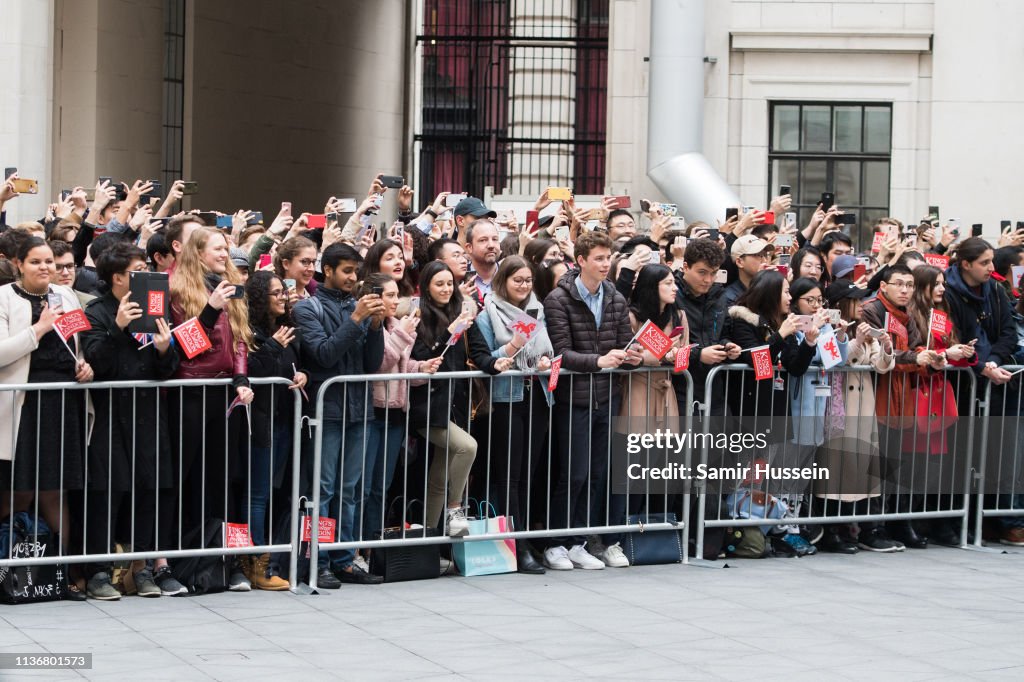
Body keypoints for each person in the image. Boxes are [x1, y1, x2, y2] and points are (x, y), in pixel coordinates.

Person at [80, 241, 187, 599]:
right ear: (116, 278)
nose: (144, 277)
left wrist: (162, 348)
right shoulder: (96, 312)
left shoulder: (157, 308)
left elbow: (167, 369)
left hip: (149, 415)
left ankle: (144, 570)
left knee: (151, 490)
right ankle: (98, 571)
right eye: (136, 272)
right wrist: (117, 327)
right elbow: (96, 364)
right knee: (108, 493)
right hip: (109, 415)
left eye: (146, 270)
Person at [543, 230, 643, 571]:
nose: (605, 264)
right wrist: (600, 361)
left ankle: (579, 541)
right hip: (574, 398)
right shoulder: (558, 299)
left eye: (608, 257)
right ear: (581, 260)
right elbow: (561, 352)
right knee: (572, 473)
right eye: (598, 258)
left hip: (607, 396)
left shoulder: (614, 297)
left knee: (597, 473)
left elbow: (625, 342)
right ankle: (555, 542)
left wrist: (632, 356)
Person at [0, 237, 94, 600]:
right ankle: (10, 573)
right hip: (21, 404)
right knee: (17, 492)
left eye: (50, 262)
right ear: (20, 264)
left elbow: (77, 344)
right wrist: (38, 329)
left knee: (56, 491)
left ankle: (63, 574)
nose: (45, 268)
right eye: (36, 262)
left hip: (62, 402)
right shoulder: (6, 297)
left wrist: (83, 365)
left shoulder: (65, 297)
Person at [293, 243, 386, 589]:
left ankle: (343, 559)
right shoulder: (307, 309)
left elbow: (372, 364)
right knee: (323, 490)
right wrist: (358, 319)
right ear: (327, 270)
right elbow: (324, 355)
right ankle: (317, 558)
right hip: (326, 412)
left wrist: (375, 327)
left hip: (359, 411)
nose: (352, 278)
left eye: (355, 271)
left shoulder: (355, 306)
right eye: (346, 271)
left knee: (349, 491)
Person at [168, 227, 255, 590]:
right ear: (198, 252)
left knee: (225, 480)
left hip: (224, 395)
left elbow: (240, 341)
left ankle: (225, 561)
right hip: (189, 392)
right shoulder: (177, 291)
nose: (225, 253)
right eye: (218, 248)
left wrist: (241, 379)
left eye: (227, 247)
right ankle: (179, 564)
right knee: (186, 481)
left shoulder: (231, 287)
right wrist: (209, 309)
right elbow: (184, 348)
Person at [475, 256, 554, 574]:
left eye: (527, 280)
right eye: (517, 280)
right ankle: (516, 546)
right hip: (507, 400)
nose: (523, 286)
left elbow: (544, 348)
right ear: (503, 281)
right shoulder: (489, 313)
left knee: (527, 475)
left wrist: (547, 361)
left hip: (536, 394)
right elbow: (486, 359)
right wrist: (511, 349)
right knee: (508, 477)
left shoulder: (537, 309)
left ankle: (523, 541)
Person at [408, 261, 500, 536]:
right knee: (467, 446)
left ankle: (428, 539)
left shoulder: (462, 313)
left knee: (439, 474)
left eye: (449, 283)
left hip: (456, 404)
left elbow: (481, 353)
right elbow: (422, 357)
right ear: (426, 287)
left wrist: (497, 364)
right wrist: (449, 333)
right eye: (439, 284)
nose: (446, 289)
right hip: (427, 407)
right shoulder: (418, 315)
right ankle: (455, 508)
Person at [943, 238, 1024, 546]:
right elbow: (957, 338)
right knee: (961, 456)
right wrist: (982, 367)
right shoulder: (948, 293)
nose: (992, 268)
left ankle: (984, 521)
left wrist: (994, 360)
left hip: (992, 379)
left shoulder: (994, 290)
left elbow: (1007, 332)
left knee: (993, 453)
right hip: (962, 386)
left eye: (993, 261)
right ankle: (952, 521)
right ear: (966, 264)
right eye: (985, 263)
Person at [859, 264, 937, 550]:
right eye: (899, 284)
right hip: (877, 395)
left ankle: (898, 522)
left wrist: (929, 356)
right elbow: (879, 353)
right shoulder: (871, 310)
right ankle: (871, 528)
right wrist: (915, 358)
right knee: (879, 465)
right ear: (884, 286)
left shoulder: (909, 314)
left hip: (903, 398)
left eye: (909, 285)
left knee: (902, 465)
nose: (905, 290)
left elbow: (916, 346)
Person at [813, 277, 895, 553]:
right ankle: (832, 529)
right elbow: (837, 359)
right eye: (856, 301)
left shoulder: (865, 328)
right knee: (837, 466)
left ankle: (856, 528)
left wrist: (885, 347)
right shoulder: (826, 327)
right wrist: (856, 341)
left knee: (862, 466)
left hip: (863, 404)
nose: (861, 305)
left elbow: (880, 366)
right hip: (838, 405)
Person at [244, 271, 307, 590]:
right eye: (276, 294)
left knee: (274, 492)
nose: (284, 298)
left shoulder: (288, 327)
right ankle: (256, 562)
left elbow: (295, 365)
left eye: (284, 292)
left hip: (284, 418)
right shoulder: (252, 330)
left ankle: (270, 561)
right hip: (260, 421)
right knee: (257, 494)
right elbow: (248, 370)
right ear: (259, 299)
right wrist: (271, 347)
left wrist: (301, 377)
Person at [362, 273, 434, 549]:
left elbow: (399, 367)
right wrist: (403, 334)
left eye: (395, 295)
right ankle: (356, 543)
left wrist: (421, 369)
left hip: (395, 415)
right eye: (388, 295)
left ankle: (372, 543)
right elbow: (379, 363)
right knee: (364, 486)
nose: (394, 301)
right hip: (372, 413)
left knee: (382, 486)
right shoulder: (374, 326)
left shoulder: (395, 324)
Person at [906, 264, 976, 546]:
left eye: (943, 283)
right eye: (936, 283)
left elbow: (949, 347)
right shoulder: (911, 314)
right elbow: (916, 351)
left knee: (935, 464)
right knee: (913, 463)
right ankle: (907, 520)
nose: (942, 288)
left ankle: (929, 521)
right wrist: (943, 353)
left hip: (938, 396)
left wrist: (962, 352)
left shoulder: (942, 315)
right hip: (916, 394)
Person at [784, 276, 850, 555]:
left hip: (816, 406)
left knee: (802, 471)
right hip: (794, 406)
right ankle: (784, 527)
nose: (814, 306)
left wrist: (841, 336)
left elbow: (835, 360)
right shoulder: (791, 327)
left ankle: (795, 524)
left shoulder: (822, 329)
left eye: (818, 301)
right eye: (808, 300)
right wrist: (811, 339)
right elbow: (798, 360)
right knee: (786, 469)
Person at [673, 238, 741, 413]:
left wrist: (727, 346)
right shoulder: (672, 295)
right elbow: (664, 344)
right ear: (685, 266)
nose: (708, 280)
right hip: (678, 386)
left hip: (713, 387)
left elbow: (723, 332)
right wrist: (698, 355)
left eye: (713, 273)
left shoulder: (719, 296)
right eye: (702, 272)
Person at [724, 235, 771, 306]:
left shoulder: (770, 287)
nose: (764, 260)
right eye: (758, 255)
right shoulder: (730, 297)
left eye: (765, 255)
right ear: (740, 262)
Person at [463, 218, 502, 300]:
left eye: (495, 239)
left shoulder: (509, 276)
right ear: (469, 247)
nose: (491, 245)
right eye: (483, 240)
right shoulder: (459, 279)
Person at [274, 236, 318, 302]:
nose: (311, 269)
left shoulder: (320, 293)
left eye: (314, 262)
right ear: (286, 264)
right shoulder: (275, 299)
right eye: (304, 261)